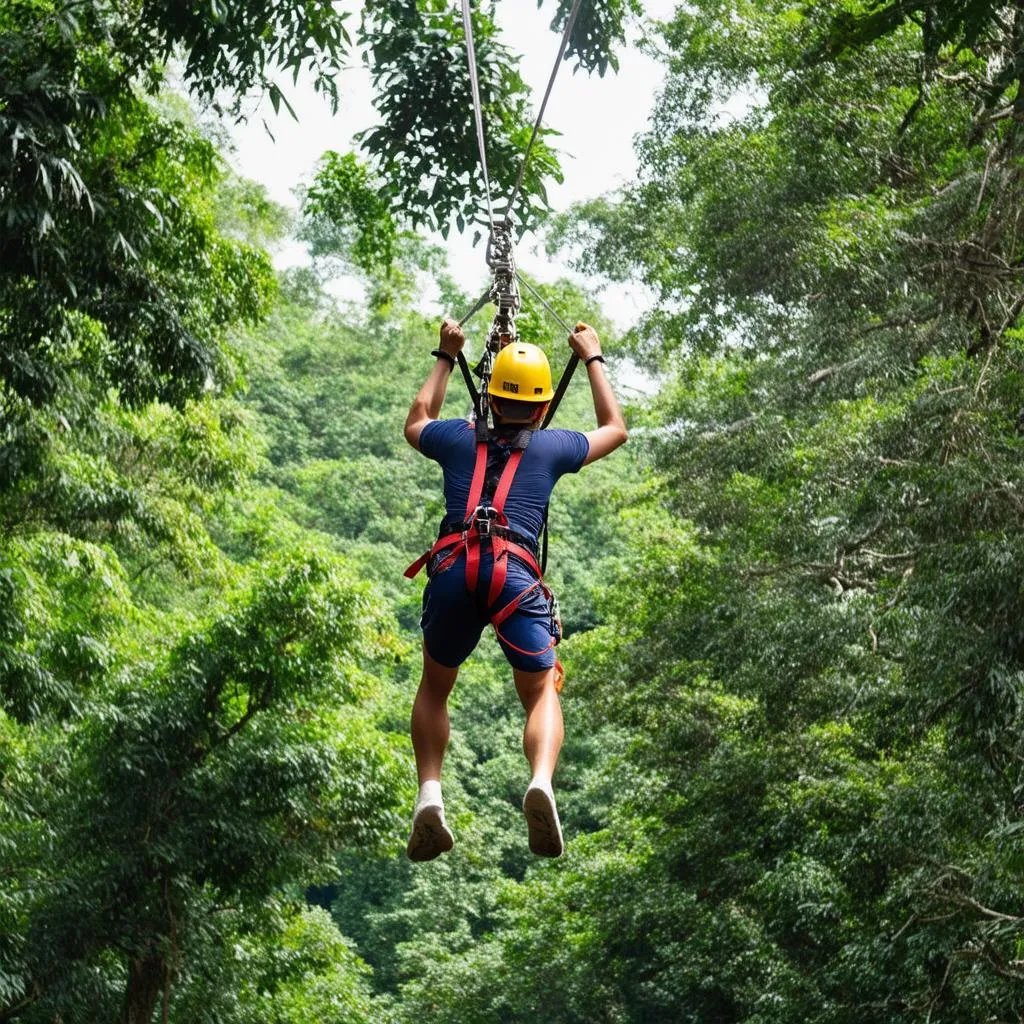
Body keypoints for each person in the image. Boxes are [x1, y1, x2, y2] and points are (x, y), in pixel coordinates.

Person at [402, 317, 627, 861]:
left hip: (455, 570)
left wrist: (445, 353)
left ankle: (430, 793)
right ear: (544, 406)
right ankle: (541, 781)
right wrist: (592, 355)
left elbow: (416, 422)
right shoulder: (553, 448)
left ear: (492, 401)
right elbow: (615, 428)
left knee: (436, 687)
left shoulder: (456, 437)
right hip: (514, 577)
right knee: (541, 689)